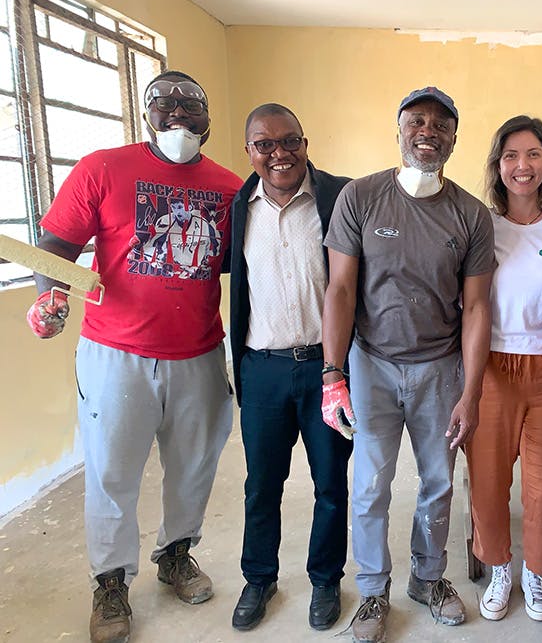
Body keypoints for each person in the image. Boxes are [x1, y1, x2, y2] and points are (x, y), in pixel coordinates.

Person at [26, 71, 241, 643]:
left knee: (194, 466)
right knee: (112, 472)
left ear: (208, 120)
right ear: (146, 115)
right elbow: (57, 246)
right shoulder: (103, 169)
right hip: (115, 353)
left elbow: (241, 267)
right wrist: (48, 298)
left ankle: (176, 554)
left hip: (198, 353)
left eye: (191, 106)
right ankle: (111, 581)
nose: (178, 115)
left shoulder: (228, 187)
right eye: (164, 105)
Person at [320, 86, 495, 643]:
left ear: (454, 139)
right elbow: (340, 289)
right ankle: (373, 591)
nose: (428, 132)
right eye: (417, 121)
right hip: (371, 364)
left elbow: (477, 307)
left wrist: (470, 391)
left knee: (438, 482)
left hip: (439, 368)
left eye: (440, 125)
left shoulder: (470, 214)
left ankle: (428, 578)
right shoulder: (361, 197)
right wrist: (332, 374)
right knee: (371, 484)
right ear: (398, 129)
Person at [228, 103, 353, 632]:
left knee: (331, 482)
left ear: (305, 144)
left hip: (327, 369)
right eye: (265, 144)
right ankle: (259, 578)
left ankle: (325, 579)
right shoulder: (238, 207)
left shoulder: (339, 197)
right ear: (250, 151)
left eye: (289, 141)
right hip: (262, 370)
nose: (279, 153)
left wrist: (340, 366)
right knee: (262, 484)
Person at [465, 115, 542, 622]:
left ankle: (536, 574)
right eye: (511, 155)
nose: (522, 165)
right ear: (498, 165)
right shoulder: (480, 224)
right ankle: (499, 570)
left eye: (533, 154)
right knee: (488, 481)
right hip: (489, 368)